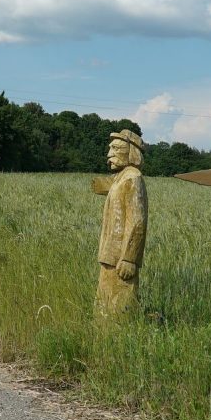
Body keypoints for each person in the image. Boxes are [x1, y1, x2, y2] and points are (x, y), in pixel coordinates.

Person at [95, 129, 148, 319]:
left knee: (119, 308)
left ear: (131, 152)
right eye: (110, 148)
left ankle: (117, 340)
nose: (110, 154)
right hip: (109, 255)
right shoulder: (122, 177)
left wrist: (130, 258)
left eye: (116, 149)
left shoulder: (133, 178)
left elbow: (137, 222)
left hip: (121, 259)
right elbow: (105, 186)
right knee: (105, 305)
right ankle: (103, 337)